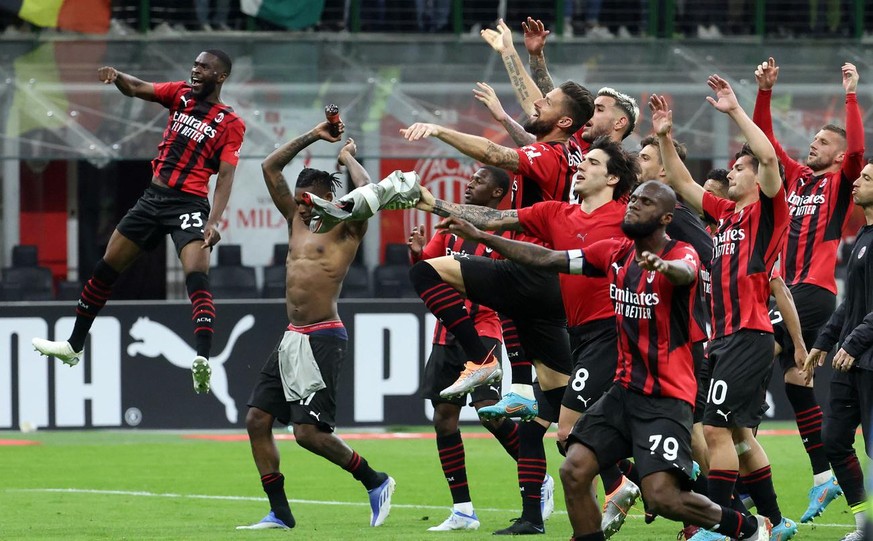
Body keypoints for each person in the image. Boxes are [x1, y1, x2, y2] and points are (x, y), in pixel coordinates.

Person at [436, 180, 772, 541]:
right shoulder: (613, 252)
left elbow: (686, 273)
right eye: (634, 200)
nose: (634, 206)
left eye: (645, 202)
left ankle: (751, 527)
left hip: (665, 399)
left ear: (666, 218)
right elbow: (548, 258)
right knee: (574, 469)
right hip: (622, 392)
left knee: (662, 498)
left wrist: (662, 266)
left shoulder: (681, 253)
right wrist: (480, 235)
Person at [417, 136, 639, 536]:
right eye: (582, 159)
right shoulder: (556, 212)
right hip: (569, 330)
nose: (581, 165)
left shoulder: (628, 217)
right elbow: (493, 220)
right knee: (547, 422)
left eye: (590, 162)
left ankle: (640, 478)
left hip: (610, 335)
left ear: (611, 178)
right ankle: (611, 486)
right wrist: (430, 203)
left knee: (570, 433)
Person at [32, 50, 245, 395]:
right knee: (106, 268)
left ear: (220, 77)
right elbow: (137, 88)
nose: (195, 70)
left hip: (188, 203)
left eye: (204, 67)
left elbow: (225, 176)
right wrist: (117, 76)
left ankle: (202, 357)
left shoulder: (230, 123)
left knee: (196, 272)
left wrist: (214, 220)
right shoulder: (179, 95)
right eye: (194, 64)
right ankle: (74, 345)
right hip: (152, 199)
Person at [651, 78, 798, 541]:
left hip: (748, 335)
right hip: (727, 339)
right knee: (733, 435)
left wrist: (736, 111)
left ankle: (718, 524)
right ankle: (773, 520)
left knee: (714, 431)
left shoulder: (769, 212)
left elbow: (771, 157)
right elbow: (679, 182)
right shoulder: (726, 215)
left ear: (758, 178)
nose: (730, 174)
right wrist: (662, 137)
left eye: (739, 168)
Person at [401, 79, 593, 418]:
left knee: (426, 272)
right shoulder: (573, 148)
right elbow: (549, 101)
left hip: (528, 269)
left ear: (564, 122)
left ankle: (481, 360)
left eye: (546, 103)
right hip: (552, 284)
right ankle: (619, 467)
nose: (537, 104)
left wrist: (438, 130)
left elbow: (493, 155)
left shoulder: (547, 156)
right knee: (562, 408)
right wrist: (515, 55)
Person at [237, 125, 394, 530]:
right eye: (301, 199)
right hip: (292, 336)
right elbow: (271, 167)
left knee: (307, 434)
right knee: (257, 419)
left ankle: (375, 481)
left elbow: (371, 191)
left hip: (324, 335)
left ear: (331, 199)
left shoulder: (348, 226)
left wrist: (348, 160)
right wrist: (316, 135)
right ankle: (280, 512)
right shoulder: (295, 218)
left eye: (311, 200)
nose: (304, 207)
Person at [753, 57, 865, 523]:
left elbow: (859, 151)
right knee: (798, 382)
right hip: (784, 289)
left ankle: (738, 476)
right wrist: (764, 93)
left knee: (750, 354)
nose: (812, 145)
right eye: (814, 140)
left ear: (839, 157)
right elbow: (763, 144)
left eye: (822, 142)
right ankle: (824, 475)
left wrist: (852, 95)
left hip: (812, 291)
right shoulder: (796, 178)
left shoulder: (841, 184)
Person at [409, 165, 528, 531]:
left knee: (490, 413)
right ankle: (463, 510)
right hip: (446, 336)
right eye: (470, 178)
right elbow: (431, 270)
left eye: (478, 181)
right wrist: (418, 255)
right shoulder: (449, 226)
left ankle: (537, 481)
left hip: (484, 330)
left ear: (497, 193)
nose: (469, 184)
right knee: (443, 419)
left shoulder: (503, 232)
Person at [804, 159, 873, 541]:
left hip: (867, 358)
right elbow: (851, 303)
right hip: (851, 361)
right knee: (832, 440)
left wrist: (854, 341)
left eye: (866, 178)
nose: (857, 182)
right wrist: (824, 341)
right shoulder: (863, 237)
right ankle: (864, 524)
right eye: (859, 175)